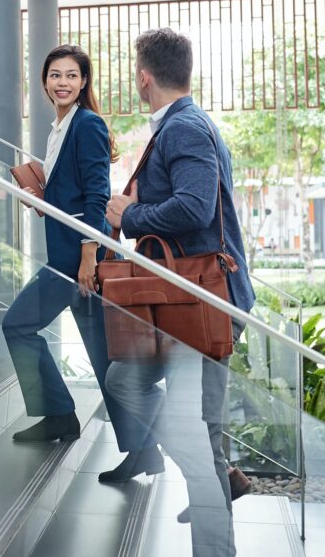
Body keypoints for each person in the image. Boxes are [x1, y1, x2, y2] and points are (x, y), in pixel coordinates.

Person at [104, 28, 255, 557]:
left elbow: (194, 208)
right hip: (182, 300)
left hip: (203, 303)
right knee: (124, 380)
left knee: (202, 441)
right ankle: (212, 470)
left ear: (144, 77)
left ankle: (214, 521)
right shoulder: (182, 125)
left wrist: (132, 214)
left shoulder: (185, 128)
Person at [2, 44, 163, 483]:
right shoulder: (60, 128)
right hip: (69, 254)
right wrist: (42, 197)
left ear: (84, 82)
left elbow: (96, 195)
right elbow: (71, 195)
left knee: (16, 325)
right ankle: (142, 448)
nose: (63, 83)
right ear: (44, 82)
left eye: (72, 75)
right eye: (55, 75)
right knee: (103, 355)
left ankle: (57, 415)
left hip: (77, 259)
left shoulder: (87, 125)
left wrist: (89, 257)